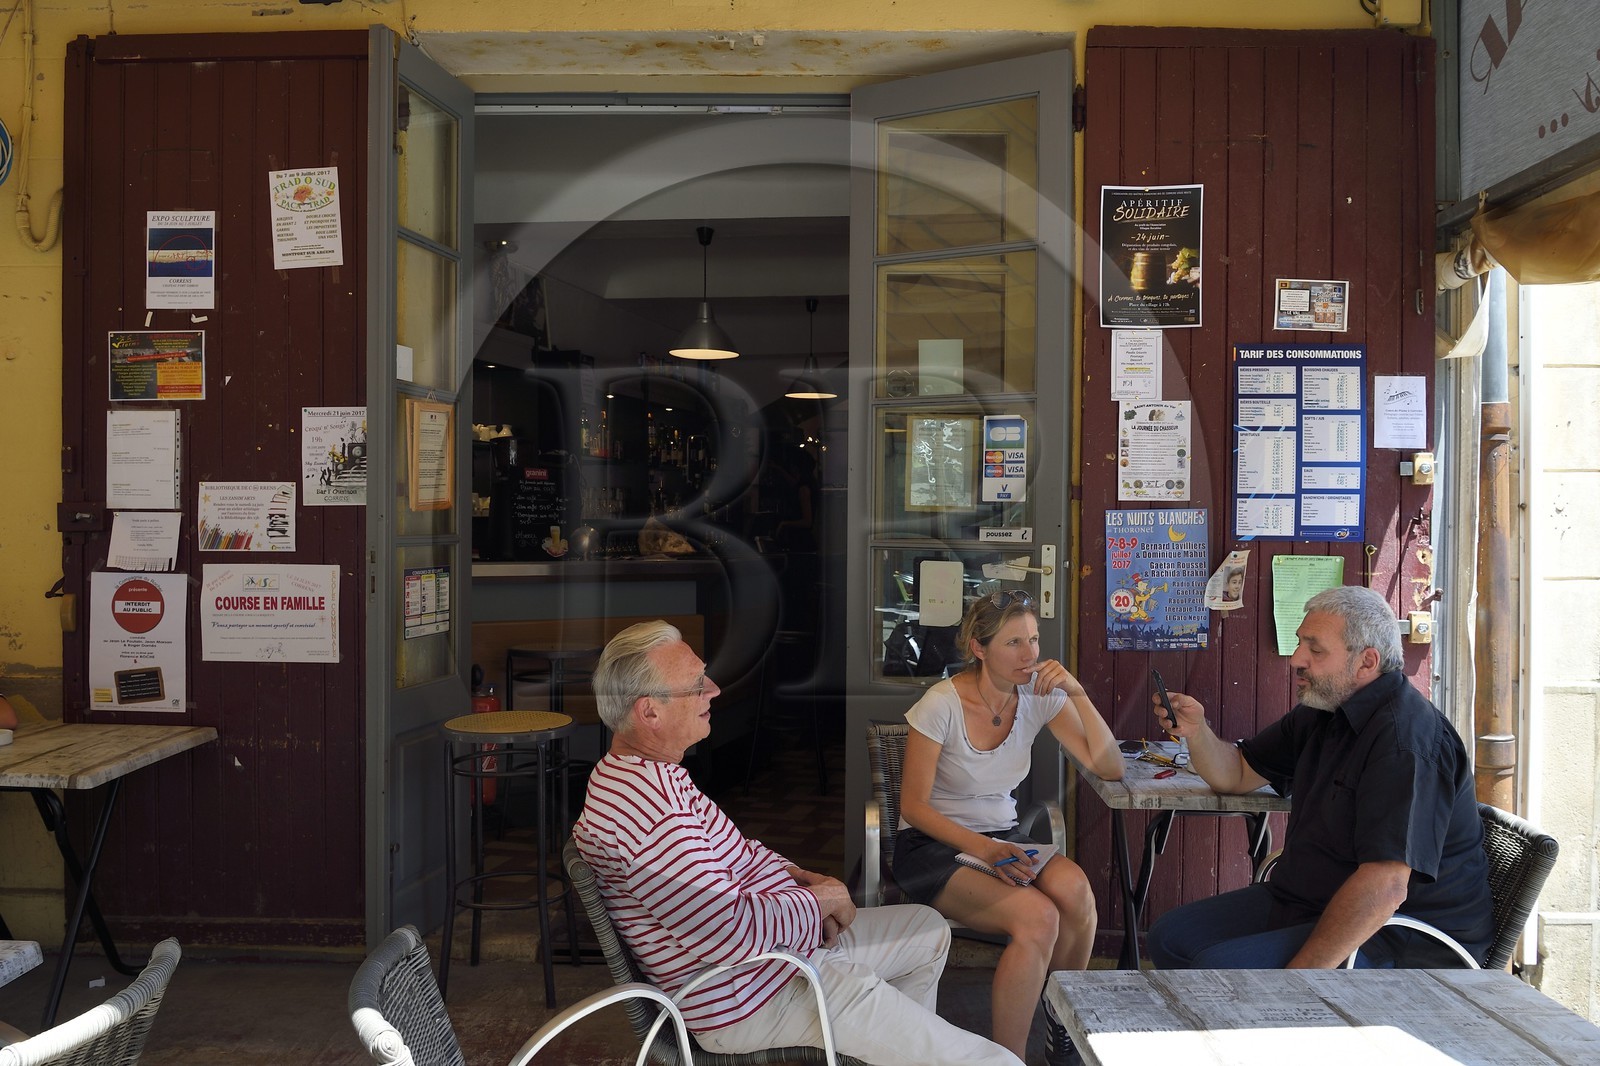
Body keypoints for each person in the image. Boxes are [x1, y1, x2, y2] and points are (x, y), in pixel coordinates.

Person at [573, 621, 1024, 1066]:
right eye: (695, 685)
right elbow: (730, 933)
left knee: (927, 931)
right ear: (649, 712)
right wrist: (817, 901)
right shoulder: (654, 816)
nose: (713, 690)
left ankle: (895, 1046)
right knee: (981, 1059)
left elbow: (742, 851)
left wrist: (807, 882)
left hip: (773, 957)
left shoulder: (640, 774)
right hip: (751, 994)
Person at [1146, 585, 1494, 969]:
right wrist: (1198, 731)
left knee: (1218, 971)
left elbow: (1385, 887)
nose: (1296, 659)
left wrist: (1299, 981)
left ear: (1367, 662)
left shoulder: (1405, 742)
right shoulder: (1324, 709)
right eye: (1300, 643)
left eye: (1315, 649)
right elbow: (1237, 773)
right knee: (1170, 937)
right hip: (1310, 901)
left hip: (1399, 935)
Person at [894, 589, 1123, 1059]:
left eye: (1034, 640)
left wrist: (1077, 694)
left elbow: (1109, 767)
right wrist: (984, 848)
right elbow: (914, 807)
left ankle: (1061, 1027)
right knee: (1038, 917)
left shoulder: (1040, 698)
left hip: (1005, 837)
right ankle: (1009, 1057)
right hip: (933, 845)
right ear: (979, 648)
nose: (1031, 654)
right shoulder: (941, 704)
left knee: (1077, 893)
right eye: (1014, 642)